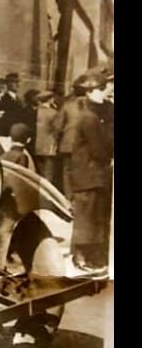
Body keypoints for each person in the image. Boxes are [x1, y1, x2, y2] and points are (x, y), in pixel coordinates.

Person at [66, 71, 114, 274]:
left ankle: (89, 257)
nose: (105, 94)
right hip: (89, 175)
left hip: (91, 175)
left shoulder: (91, 114)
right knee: (86, 219)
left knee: (92, 217)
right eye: (103, 90)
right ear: (92, 91)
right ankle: (80, 257)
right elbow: (99, 150)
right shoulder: (89, 118)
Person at [33, 91, 62, 187]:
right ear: (50, 100)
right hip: (49, 146)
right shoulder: (53, 113)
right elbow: (58, 129)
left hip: (37, 145)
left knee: (39, 170)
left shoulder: (36, 111)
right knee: (48, 173)